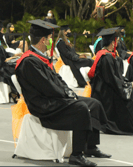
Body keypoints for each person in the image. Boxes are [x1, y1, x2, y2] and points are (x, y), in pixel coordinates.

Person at [16, 19, 120, 166]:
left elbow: (57, 79)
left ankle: (90, 147)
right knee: (81, 108)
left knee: (94, 104)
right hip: (43, 104)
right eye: (50, 39)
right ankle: (76, 155)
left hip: (55, 97)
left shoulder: (40, 58)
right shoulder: (29, 61)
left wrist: (69, 92)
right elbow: (47, 87)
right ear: (44, 40)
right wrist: (68, 96)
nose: (52, 41)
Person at [88, 27, 133, 134]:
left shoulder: (109, 55)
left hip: (111, 86)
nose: (118, 43)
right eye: (117, 41)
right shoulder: (106, 57)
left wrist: (127, 82)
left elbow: (116, 77)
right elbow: (112, 80)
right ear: (112, 43)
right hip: (106, 93)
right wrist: (129, 85)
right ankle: (128, 126)